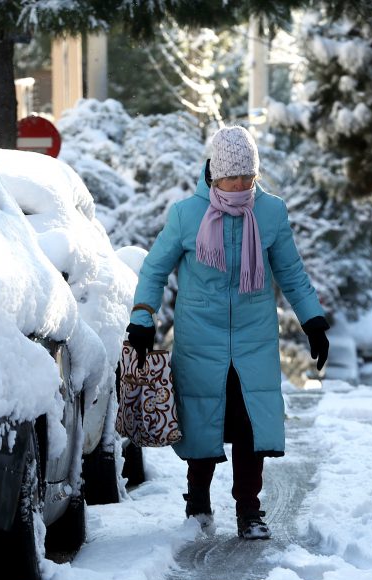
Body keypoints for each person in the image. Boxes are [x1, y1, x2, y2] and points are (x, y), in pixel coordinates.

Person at [126, 126, 329, 540]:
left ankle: (249, 510)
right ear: (214, 175)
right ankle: (197, 498)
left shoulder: (270, 212)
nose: (240, 186)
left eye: (248, 178)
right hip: (201, 337)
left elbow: (290, 271)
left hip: (254, 338)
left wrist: (312, 321)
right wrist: (142, 318)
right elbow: (154, 269)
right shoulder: (186, 214)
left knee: (250, 426)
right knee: (202, 419)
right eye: (233, 178)